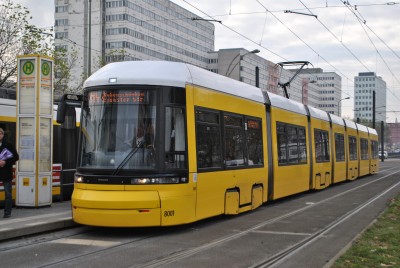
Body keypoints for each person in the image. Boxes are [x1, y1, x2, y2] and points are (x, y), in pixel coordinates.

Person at [0, 128, 19, 218]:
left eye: (0, 133)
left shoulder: (8, 145)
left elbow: (16, 157)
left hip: (6, 172)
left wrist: (5, 162)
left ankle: (7, 212)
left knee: (8, 193)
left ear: (3, 135)